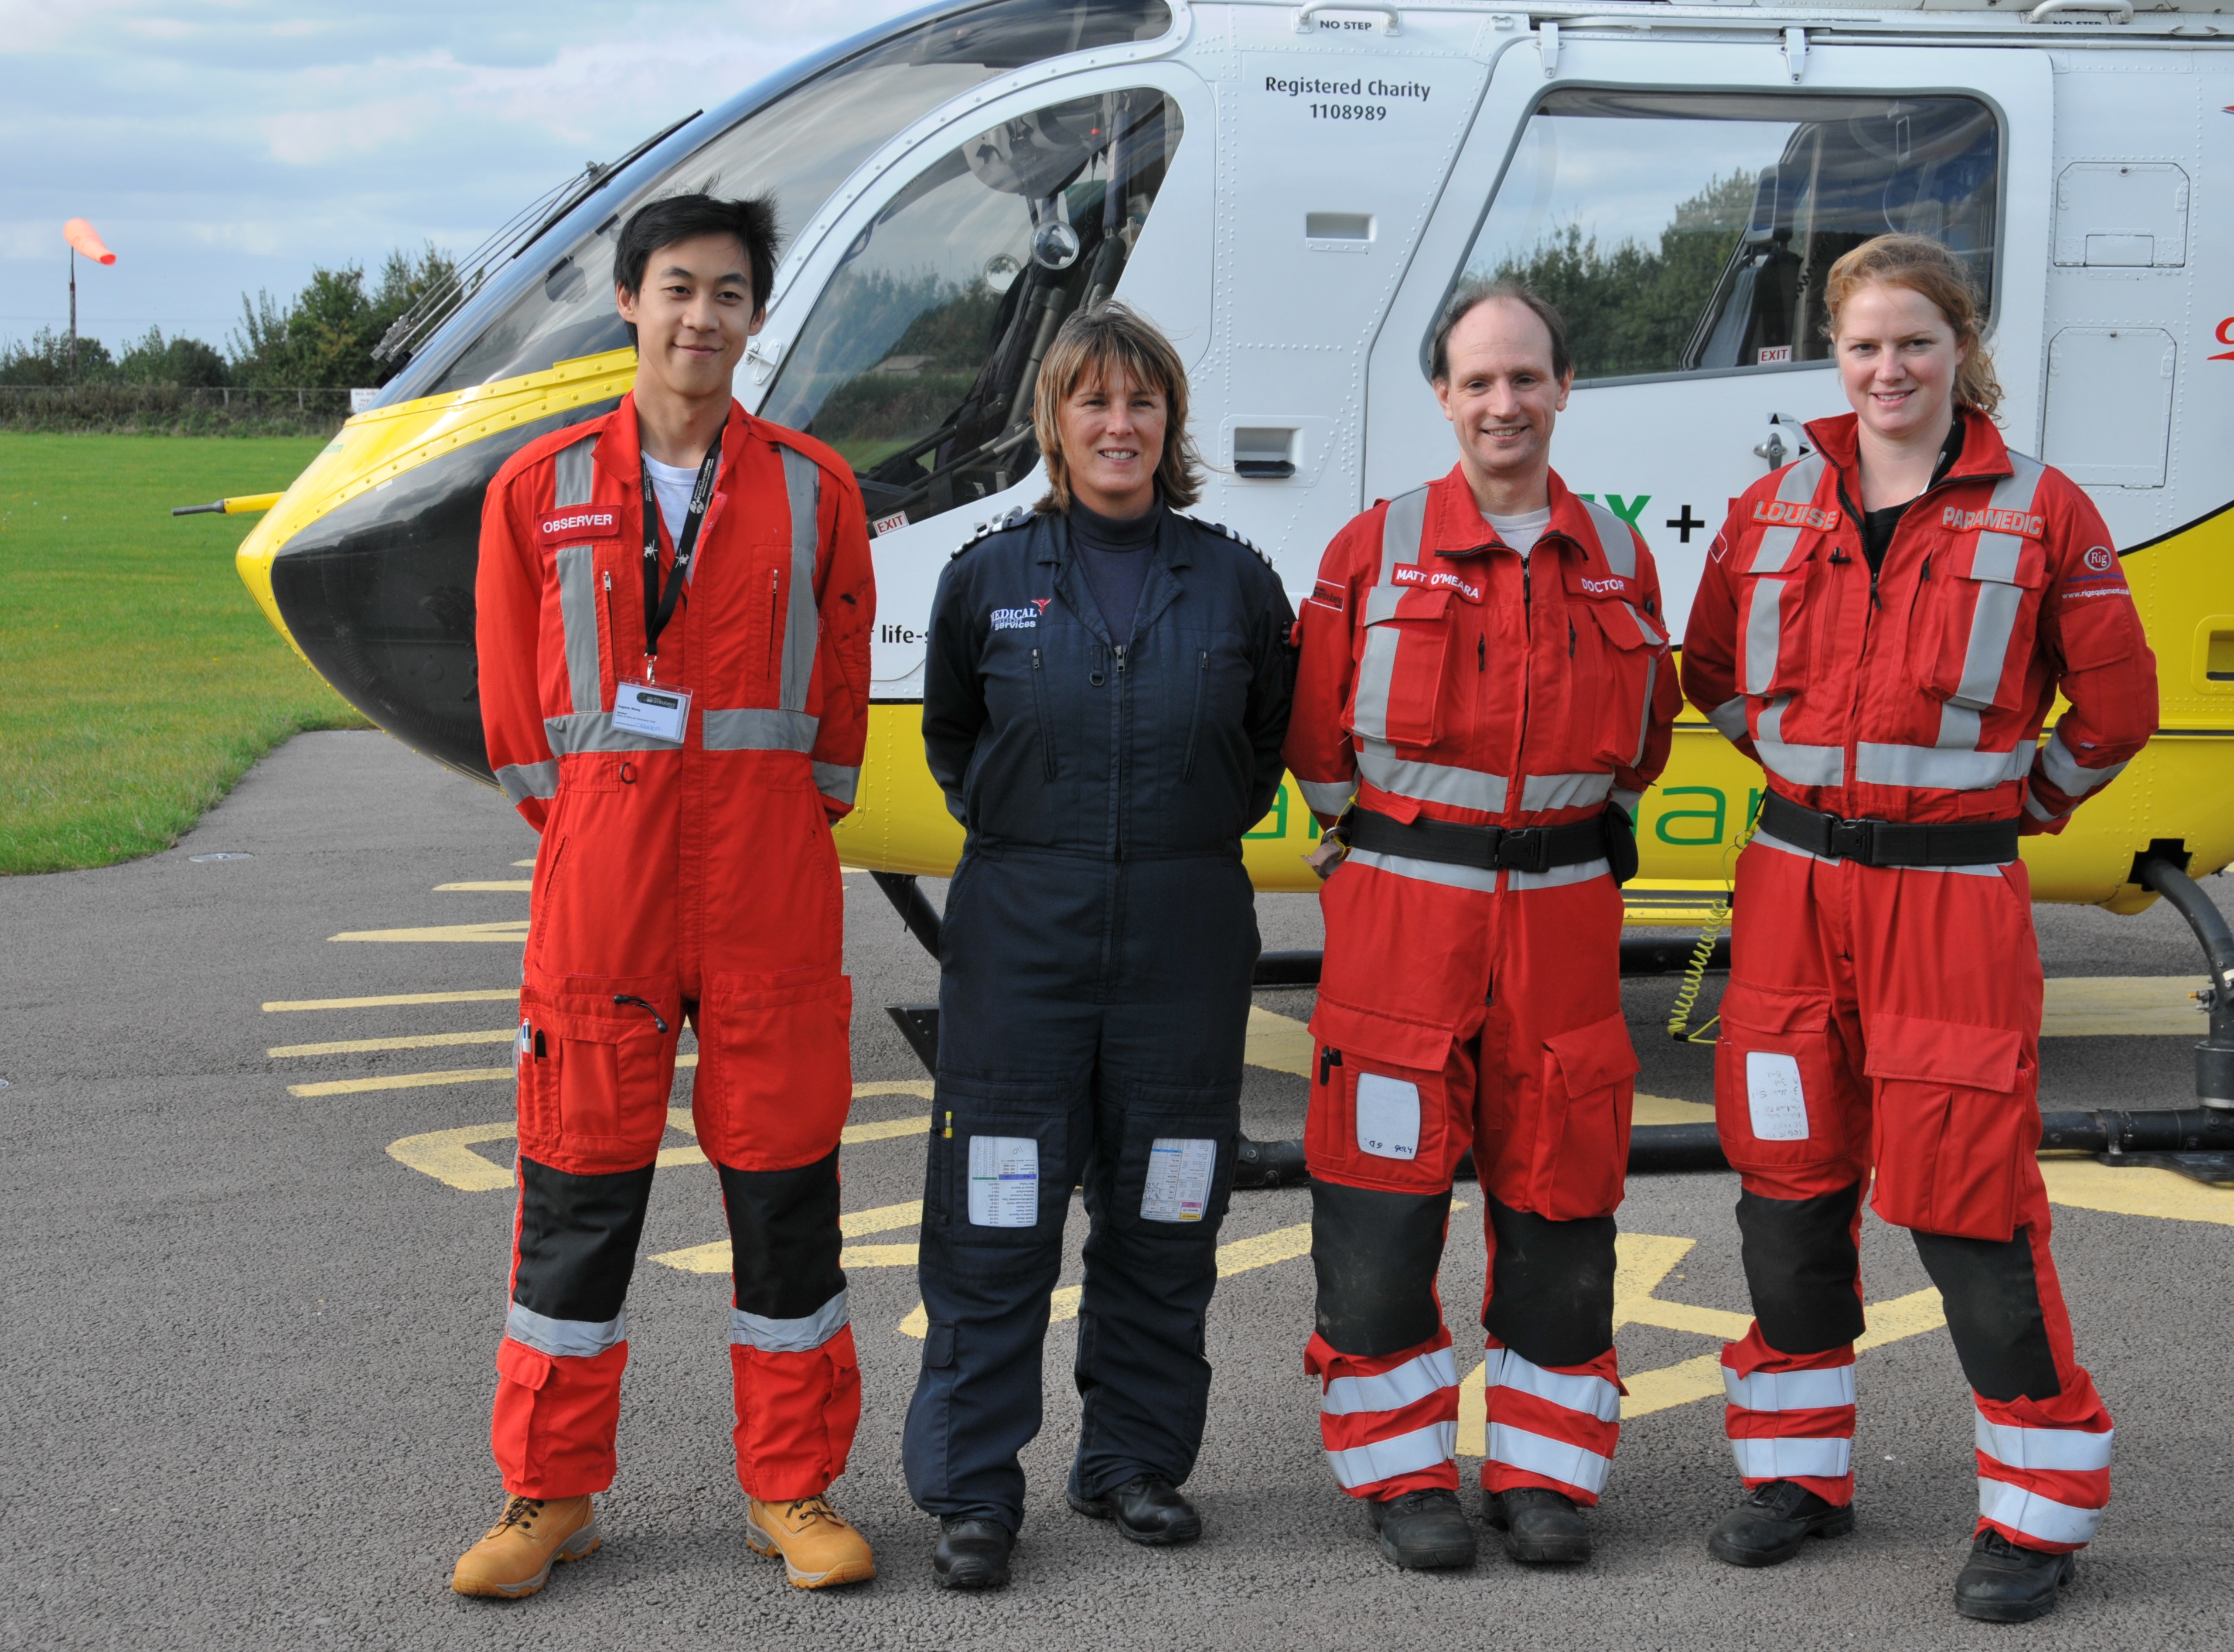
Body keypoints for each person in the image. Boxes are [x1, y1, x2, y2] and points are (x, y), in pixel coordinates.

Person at [1680, 233, 2158, 1624]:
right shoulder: (1771, 509)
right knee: (1785, 1195)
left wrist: (2021, 803)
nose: (1885, 369)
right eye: (1860, 345)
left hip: (1947, 905)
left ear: (1960, 349)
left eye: (1912, 342)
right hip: (1786, 898)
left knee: (1968, 1211)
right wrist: (1787, 775)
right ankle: (1796, 1477)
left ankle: (2032, 1515)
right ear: (1833, 358)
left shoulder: (2042, 513)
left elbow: (2116, 713)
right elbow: (1709, 671)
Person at [456, 193, 878, 1598]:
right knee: (575, 1195)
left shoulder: (819, 488)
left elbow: (830, 720)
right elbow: (519, 725)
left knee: (786, 1205)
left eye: (731, 295)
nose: (703, 317)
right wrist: (601, 825)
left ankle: (792, 1487)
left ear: (755, 319)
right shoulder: (537, 487)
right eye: (678, 289)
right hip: (604, 890)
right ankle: (547, 1493)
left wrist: (753, 818)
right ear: (628, 303)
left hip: (766, 887)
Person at [1280, 282, 1682, 1570]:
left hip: (1560, 924)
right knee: (1381, 1212)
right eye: (1475, 381)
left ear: (1563, 390)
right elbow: (1316, 742)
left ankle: (1546, 1479)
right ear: (1442, 398)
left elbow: (1643, 748)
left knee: (1562, 1205)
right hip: (1405, 923)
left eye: (1524, 378)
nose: (1501, 402)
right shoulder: (1368, 547)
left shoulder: (1620, 558)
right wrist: (1389, 855)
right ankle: (1401, 1478)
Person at [906, 303, 1295, 1590]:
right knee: (993, 1218)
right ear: (1054, 422)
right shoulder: (986, 577)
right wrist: (1051, 845)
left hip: (1184, 933)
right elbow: (955, 745)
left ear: (1169, 422)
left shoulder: (1233, 579)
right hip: (1023, 930)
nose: (1118, 424)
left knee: (1166, 1207)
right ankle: (972, 1491)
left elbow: (1263, 749)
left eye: (1141, 402)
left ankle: (1130, 1463)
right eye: (1093, 402)